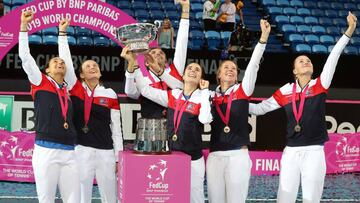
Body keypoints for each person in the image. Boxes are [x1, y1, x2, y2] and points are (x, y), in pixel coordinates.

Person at [249, 12, 357, 203]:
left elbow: (333, 56)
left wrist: (348, 32)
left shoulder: (319, 84)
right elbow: (260, 109)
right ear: (294, 71)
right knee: (285, 198)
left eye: (308, 60)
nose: (306, 61)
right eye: (301, 61)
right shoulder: (285, 91)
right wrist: (238, 104)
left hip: (314, 152)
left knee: (311, 199)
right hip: (290, 152)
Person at [57, 19, 123, 203]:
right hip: (81, 149)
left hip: (106, 152)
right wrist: (62, 34)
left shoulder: (110, 94)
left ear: (100, 73)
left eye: (95, 65)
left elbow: (116, 128)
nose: (93, 67)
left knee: (110, 196)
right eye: (88, 66)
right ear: (81, 75)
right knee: (80, 195)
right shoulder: (76, 88)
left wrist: (118, 157)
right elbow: (67, 61)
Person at [18, 11, 80, 203]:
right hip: (46, 152)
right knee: (46, 200)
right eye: (55, 62)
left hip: (70, 151)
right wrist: (23, 27)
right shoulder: (40, 81)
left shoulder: (68, 87)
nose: (60, 63)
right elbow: (25, 57)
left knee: (74, 200)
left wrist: (62, 33)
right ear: (47, 70)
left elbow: (67, 57)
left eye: (62, 63)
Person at [206, 19, 270, 203]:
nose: (231, 70)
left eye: (234, 68)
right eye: (226, 67)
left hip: (238, 156)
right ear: (218, 74)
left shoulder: (242, 91)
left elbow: (253, 66)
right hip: (215, 155)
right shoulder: (209, 95)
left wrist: (263, 38)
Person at [138, 62, 212, 203]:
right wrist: (139, 64)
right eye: (189, 68)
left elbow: (205, 119)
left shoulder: (203, 97)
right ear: (183, 76)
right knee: (172, 196)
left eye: (197, 70)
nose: (193, 70)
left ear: (201, 78)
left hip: (193, 159)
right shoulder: (173, 95)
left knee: (196, 197)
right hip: (172, 156)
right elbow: (144, 90)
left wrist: (205, 92)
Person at [122, 0, 190, 119]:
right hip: (150, 132)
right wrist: (132, 64)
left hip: (176, 129)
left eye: (161, 52)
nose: (158, 53)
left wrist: (185, 11)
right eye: (153, 52)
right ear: (147, 61)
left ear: (166, 59)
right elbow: (131, 94)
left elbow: (182, 43)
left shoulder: (175, 70)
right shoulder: (142, 74)